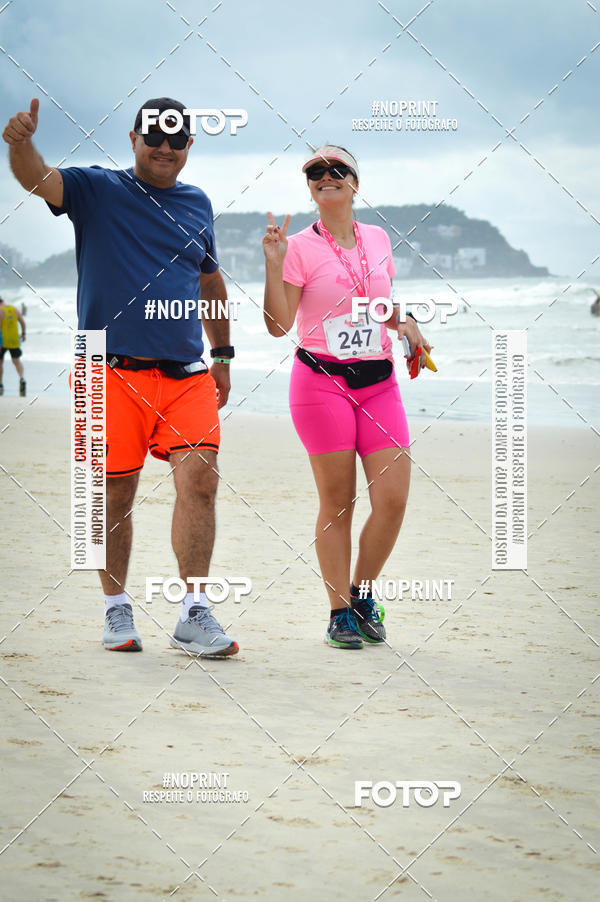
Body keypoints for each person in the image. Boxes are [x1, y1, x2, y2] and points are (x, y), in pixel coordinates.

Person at [3, 96, 238, 657]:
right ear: (133, 138)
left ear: (188, 148)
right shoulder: (97, 189)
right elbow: (38, 180)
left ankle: (193, 611)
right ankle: (115, 608)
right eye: (154, 135)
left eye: (176, 139)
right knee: (112, 494)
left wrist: (224, 353)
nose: (164, 147)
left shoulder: (197, 203)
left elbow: (209, 282)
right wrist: (20, 144)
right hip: (104, 368)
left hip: (185, 374)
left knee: (201, 479)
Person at [263, 145, 430, 649]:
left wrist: (407, 323)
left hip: (379, 382)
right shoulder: (295, 246)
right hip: (321, 383)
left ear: (355, 182)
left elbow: (377, 302)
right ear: (310, 187)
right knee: (338, 503)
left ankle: (361, 593)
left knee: (393, 500)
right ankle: (339, 613)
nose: (326, 177)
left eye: (337, 170)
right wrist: (273, 265)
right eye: (316, 172)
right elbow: (277, 326)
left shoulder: (378, 238)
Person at [0, 296, 26, 396]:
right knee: (16, 360)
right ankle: (21, 378)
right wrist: (23, 333)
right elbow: (22, 322)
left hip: (2, 340)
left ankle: (1, 384)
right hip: (15, 339)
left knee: (0, 362)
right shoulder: (13, 308)